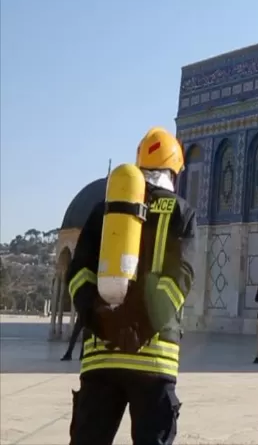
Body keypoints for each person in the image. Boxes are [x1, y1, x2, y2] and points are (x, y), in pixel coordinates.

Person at [66, 126, 195, 445]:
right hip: (153, 357)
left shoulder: (104, 209)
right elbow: (179, 280)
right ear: (173, 171)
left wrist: (101, 322)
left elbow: (78, 274)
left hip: (101, 353)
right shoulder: (180, 211)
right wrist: (140, 328)